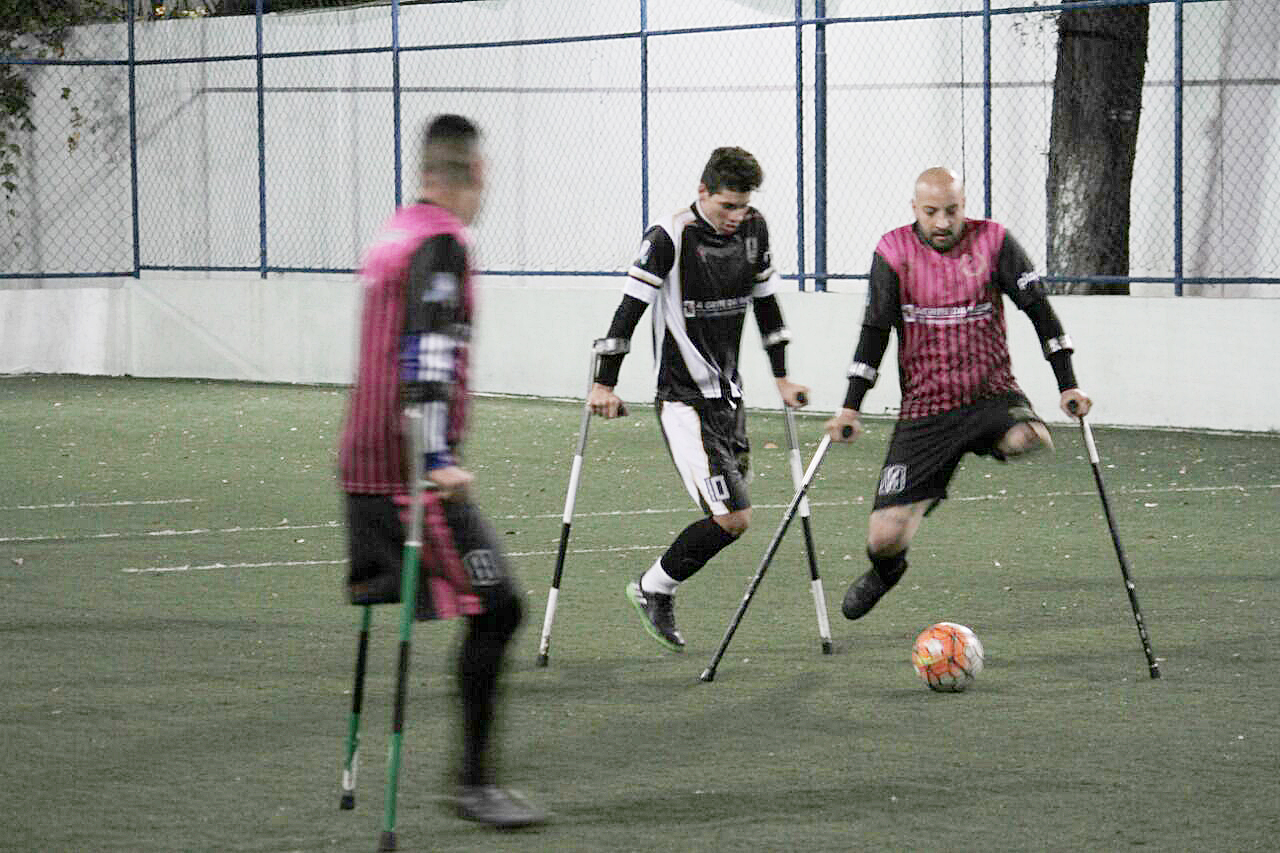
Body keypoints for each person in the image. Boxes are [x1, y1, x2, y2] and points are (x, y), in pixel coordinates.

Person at [336, 114, 546, 828]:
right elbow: (425, 349)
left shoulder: (395, 230)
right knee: (502, 607)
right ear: (474, 173)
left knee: (491, 607)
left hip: (365, 465)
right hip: (406, 474)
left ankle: (472, 780)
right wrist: (435, 458)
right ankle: (474, 784)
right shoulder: (442, 244)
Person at [824, 166, 1091, 620]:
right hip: (925, 411)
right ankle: (888, 571)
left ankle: (982, 445)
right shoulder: (893, 251)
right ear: (915, 210)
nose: (943, 223)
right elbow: (875, 331)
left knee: (1031, 437)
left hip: (991, 395)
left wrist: (1068, 383)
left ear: (964, 206)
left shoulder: (994, 242)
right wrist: (851, 406)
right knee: (883, 539)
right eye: (931, 213)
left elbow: (1039, 311)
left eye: (952, 211)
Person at [588, 146, 809, 652]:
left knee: (732, 516)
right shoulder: (669, 236)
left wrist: (783, 376)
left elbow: (767, 305)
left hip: (729, 399)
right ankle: (652, 588)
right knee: (732, 516)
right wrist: (605, 382)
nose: (736, 217)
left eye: (743, 206)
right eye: (726, 205)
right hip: (683, 401)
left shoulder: (754, 230)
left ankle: (654, 588)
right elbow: (628, 313)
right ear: (702, 192)